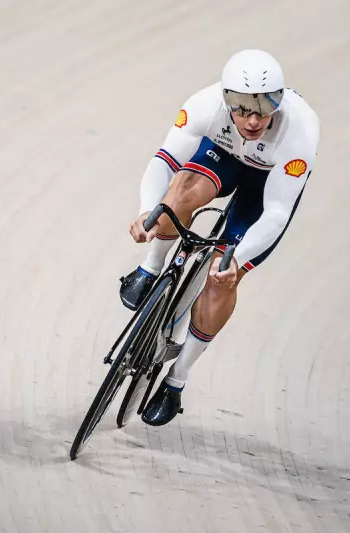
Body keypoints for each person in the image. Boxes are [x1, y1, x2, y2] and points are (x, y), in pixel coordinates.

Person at [119, 49, 320, 426]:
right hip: (224, 155)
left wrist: (238, 260)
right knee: (176, 196)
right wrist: (148, 210)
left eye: (266, 105)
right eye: (242, 107)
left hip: (267, 185)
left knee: (221, 278)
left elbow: (276, 212)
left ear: (280, 98)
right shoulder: (204, 105)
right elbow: (164, 161)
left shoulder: (300, 131)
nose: (254, 118)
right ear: (226, 98)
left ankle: (176, 381)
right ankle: (150, 268)